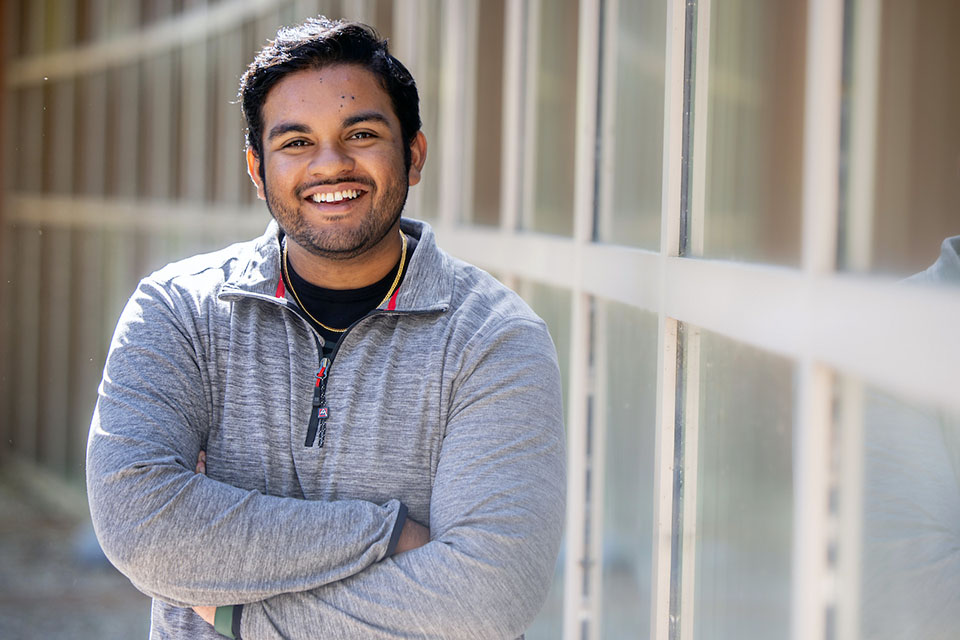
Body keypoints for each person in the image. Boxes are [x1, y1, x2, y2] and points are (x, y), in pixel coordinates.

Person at [86, 17, 566, 640]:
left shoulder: (494, 340)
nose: (331, 165)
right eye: (296, 142)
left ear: (414, 155)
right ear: (257, 169)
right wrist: (386, 534)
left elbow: (487, 598)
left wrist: (239, 614)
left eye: (361, 134)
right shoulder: (180, 311)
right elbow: (139, 524)